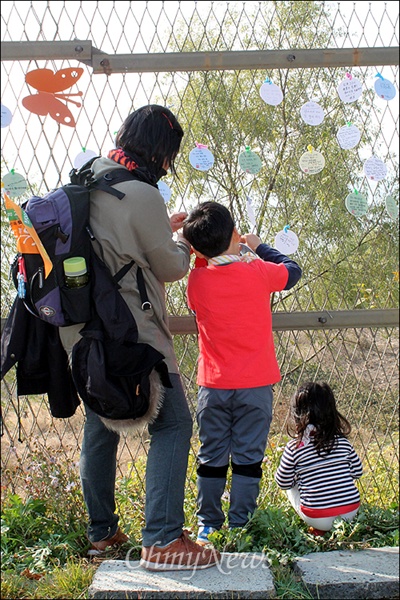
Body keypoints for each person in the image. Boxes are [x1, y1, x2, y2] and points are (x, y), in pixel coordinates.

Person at [59, 105, 220, 570]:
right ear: (161, 152)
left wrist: (156, 232)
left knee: (101, 421)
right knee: (173, 422)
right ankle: (164, 539)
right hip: (132, 332)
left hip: (81, 332)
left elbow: (113, 238)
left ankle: (102, 534)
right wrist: (185, 241)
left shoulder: (90, 174)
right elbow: (169, 267)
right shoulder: (144, 194)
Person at [181, 201, 302, 545]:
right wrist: (258, 246)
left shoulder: (197, 280)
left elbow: (206, 260)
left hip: (214, 385)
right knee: (249, 458)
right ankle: (240, 524)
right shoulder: (259, 271)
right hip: (256, 384)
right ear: (235, 234)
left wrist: (202, 249)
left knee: (211, 456)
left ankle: (208, 524)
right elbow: (292, 270)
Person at [275, 380, 363, 536]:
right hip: (350, 512)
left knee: (291, 487)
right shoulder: (343, 442)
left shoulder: (294, 447)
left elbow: (283, 482)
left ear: (296, 414)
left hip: (317, 516)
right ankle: (337, 507)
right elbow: (357, 472)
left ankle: (319, 528)